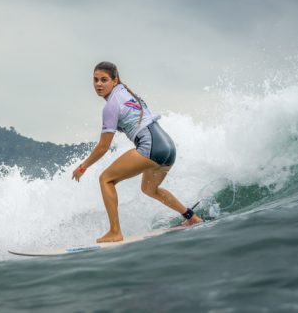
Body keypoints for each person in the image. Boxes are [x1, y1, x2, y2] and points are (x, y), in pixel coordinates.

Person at [72, 61, 203, 243]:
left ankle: (115, 232)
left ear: (115, 80)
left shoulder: (111, 106)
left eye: (104, 80)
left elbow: (103, 146)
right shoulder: (127, 94)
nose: (99, 84)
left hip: (151, 146)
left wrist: (83, 166)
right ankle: (192, 217)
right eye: (95, 80)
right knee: (149, 189)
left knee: (106, 179)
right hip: (167, 147)